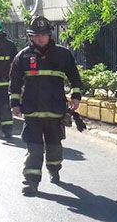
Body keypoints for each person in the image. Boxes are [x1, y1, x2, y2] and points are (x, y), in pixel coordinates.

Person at [9, 16, 83, 196]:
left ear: (49, 35)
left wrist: (76, 96)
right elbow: (15, 81)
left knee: (54, 148)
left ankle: (54, 168)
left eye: (43, 34)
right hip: (32, 111)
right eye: (36, 35)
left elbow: (74, 76)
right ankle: (31, 182)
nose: (40, 38)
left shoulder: (63, 54)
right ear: (31, 36)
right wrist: (15, 104)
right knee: (33, 148)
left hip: (55, 110)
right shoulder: (23, 56)